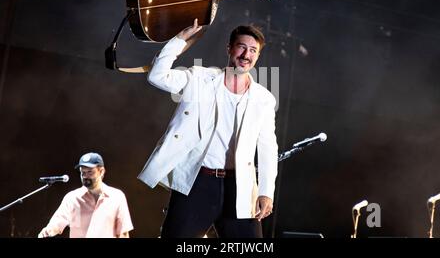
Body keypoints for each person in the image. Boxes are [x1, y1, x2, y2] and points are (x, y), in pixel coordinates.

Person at [138, 19, 278, 238]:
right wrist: (179, 39)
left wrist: (266, 192)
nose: (246, 55)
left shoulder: (264, 99)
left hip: (239, 186)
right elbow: (157, 76)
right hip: (197, 182)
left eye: (253, 50)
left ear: (257, 57)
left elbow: (269, 149)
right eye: (242, 47)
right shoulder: (199, 78)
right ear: (230, 48)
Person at [38, 152, 134, 238]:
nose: (85, 176)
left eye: (89, 172)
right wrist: (48, 231)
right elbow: (57, 222)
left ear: (101, 171)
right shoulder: (72, 198)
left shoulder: (117, 197)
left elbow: (123, 233)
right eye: (82, 172)